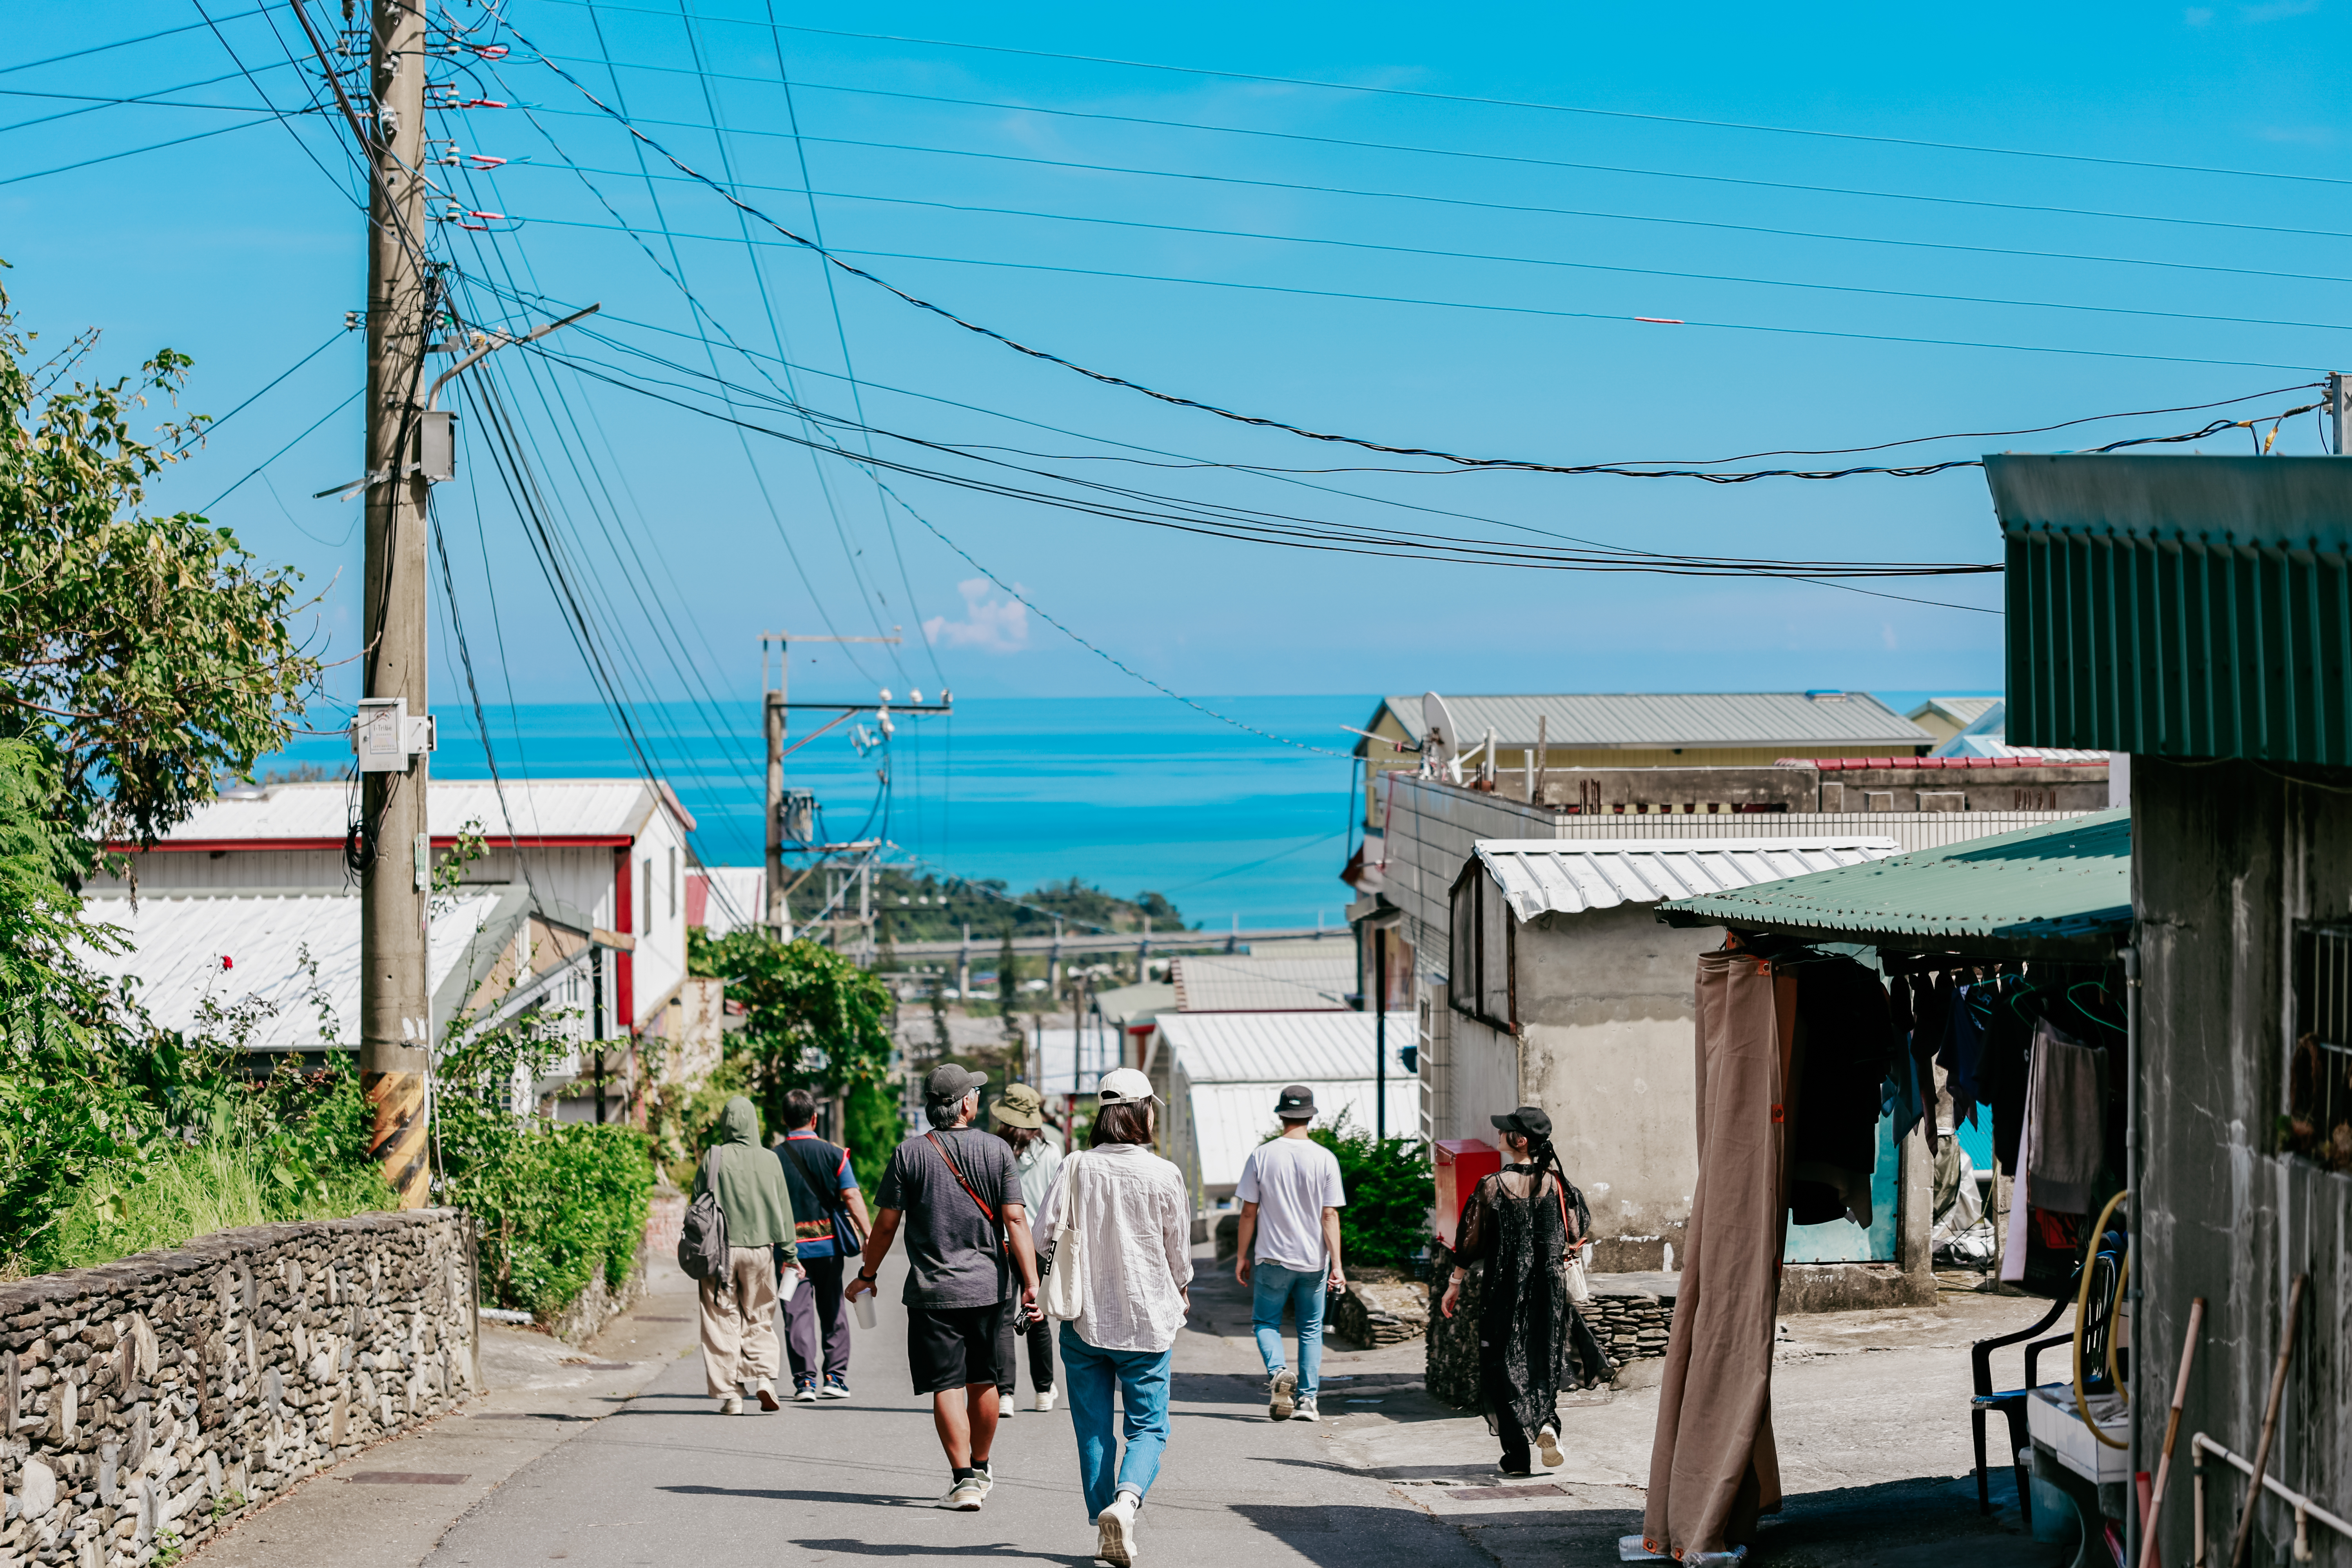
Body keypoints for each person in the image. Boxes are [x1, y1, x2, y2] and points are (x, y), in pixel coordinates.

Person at [846, 1064, 1040, 1512]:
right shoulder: (997, 1151)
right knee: (984, 1379)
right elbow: (1015, 1219)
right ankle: (982, 1463)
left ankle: (963, 1480)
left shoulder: (908, 1154)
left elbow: (886, 1225)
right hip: (989, 1288)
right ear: (967, 1103)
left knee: (947, 1384)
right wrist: (1031, 1283)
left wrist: (867, 1274)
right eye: (974, 1091)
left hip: (933, 1291)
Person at [1033, 1067, 1192, 1568]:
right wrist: (1182, 1291)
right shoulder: (1164, 1173)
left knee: (1093, 1427)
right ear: (1143, 1110)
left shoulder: (1075, 1165)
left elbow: (1042, 1237)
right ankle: (1126, 1504)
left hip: (1083, 1318)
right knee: (1148, 1427)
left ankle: (1102, 1513)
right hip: (1147, 1320)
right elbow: (1178, 1252)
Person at [1438, 1105, 1610, 1476]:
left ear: (1518, 1140)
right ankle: (1546, 1424)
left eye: (1504, 1131)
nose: (1498, 1135)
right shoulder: (1559, 1184)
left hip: (1504, 1288)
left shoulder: (1492, 1185)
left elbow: (1469, 1243)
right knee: (1542, 1359)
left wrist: (1454, 1284)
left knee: (1503, 1364)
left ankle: (1517, 1457)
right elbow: (1579, 1230)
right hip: (1548, 1288)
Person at [1232, 1084, 1347, 1423]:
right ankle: (1308, 1402)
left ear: (1281, 1114)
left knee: (1266, 1322)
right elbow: (1330, 1215)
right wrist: (1337, 1265)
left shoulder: (1262, 1155)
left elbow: (1248, 1212)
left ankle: (1279, 1372)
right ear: (1311, 1116)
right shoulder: (1326, 1158)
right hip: (1314, 1261)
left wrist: (1242, 1256)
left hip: (1272, 1259)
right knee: (1310, 1329)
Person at [694, 1096, 800, 1415]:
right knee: (760, 1316)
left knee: (721, 1319)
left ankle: (732, 1396)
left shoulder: (713, 1158)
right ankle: (765, 1378)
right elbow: (784, 1211)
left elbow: (697, 1207)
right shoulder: (770, 1160)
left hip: (719, 1253)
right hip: (760, 1252)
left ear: (726, 1123)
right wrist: (791, 1255)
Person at [776, 1087, 873, 1403]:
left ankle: (805, 1382)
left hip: (788, 1255)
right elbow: (852, 1195)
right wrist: (869, 1234)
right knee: (832, 1310)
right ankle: (835, 1378)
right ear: (815, 1118)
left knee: (795, 1313)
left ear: (784, 1120)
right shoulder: (834, 1155)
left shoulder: (773, 1158)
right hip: (829, 1249)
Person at [991, 1081, 1064, 1417]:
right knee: (1037, 1315)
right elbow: (1060, 1202)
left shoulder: (993, 1149)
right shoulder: (1052, 1152)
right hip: (1038, 1243)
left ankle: (1004, 1395)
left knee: (1004, 1319)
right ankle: (1043, 1391)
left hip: (1002, 1240)